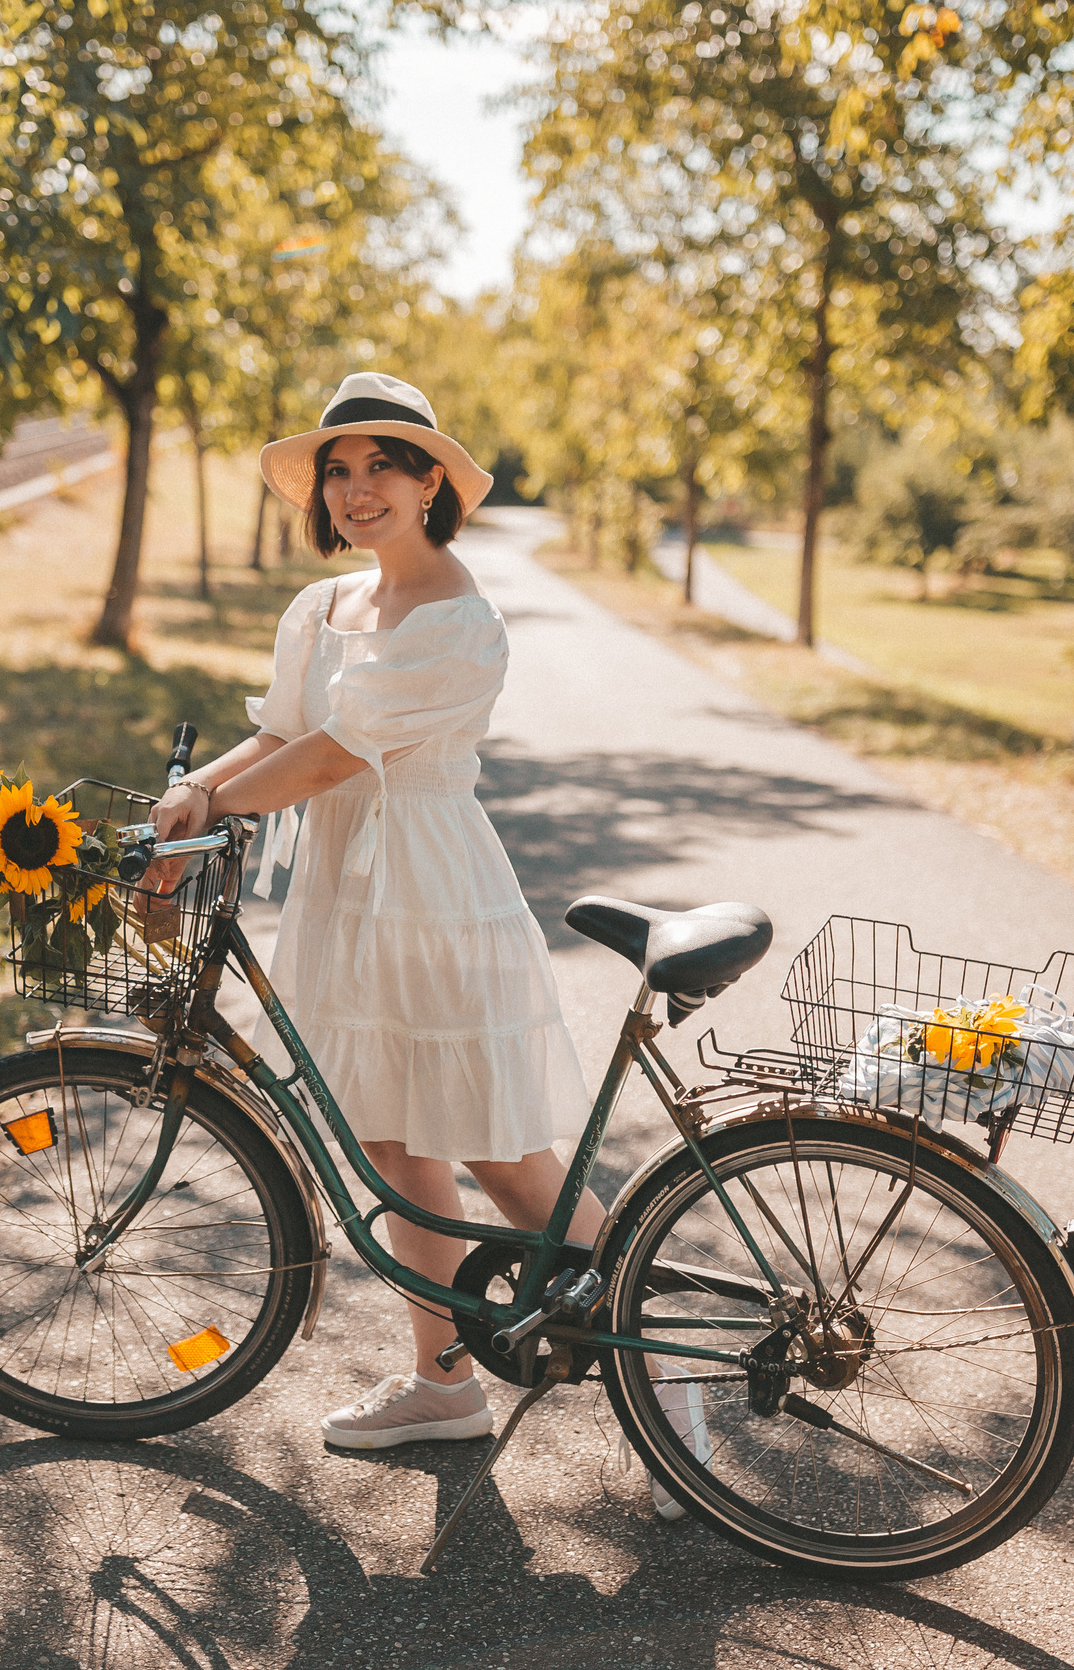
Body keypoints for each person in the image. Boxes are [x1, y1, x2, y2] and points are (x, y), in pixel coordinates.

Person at [145, 372, 705, 1518]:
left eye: (383, 466)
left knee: (499, 1152)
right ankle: (442, 1383)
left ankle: (659, 1359)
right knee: (392, 1139)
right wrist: (183, 792)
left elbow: (334, 756)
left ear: (431, 480)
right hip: (344, 896)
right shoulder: (322, 606)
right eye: (339, 471)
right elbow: (277, 732)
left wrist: (223, 808)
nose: (357, 490)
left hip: (431, 893)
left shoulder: (459, 616)